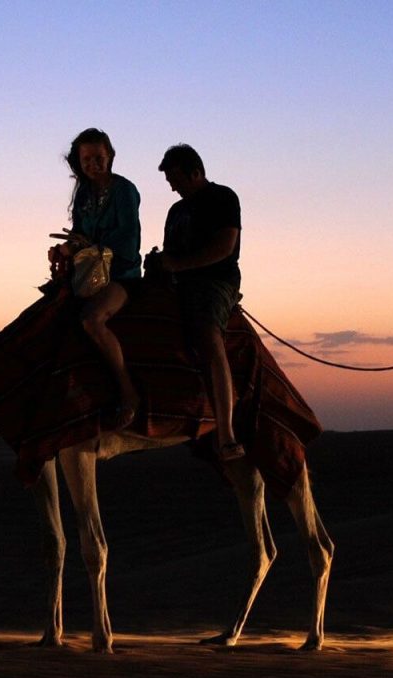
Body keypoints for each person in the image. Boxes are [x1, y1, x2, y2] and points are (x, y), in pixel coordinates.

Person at [148, 144, 246, 459]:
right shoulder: (176, 212)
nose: (173, 187)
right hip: (177, 284)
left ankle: (227, 435)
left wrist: (178, 265)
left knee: (208, 336)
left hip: (215, 283)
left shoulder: (223, 198)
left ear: (196, 172)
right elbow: (171, 252)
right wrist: (160, 263)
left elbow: (224, 247)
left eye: (176, 179)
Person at [48, 128, 143, 429]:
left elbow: (128, 239)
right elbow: (79, 235)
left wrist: (87, 246)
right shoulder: (84, 195)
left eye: (98, 158)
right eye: (86, 159)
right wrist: (65, 249)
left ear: (110, 156)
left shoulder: (125, 191)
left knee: (92, 319)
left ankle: (129, 394)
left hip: (121, 274)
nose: (93, 164)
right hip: (88, 274)